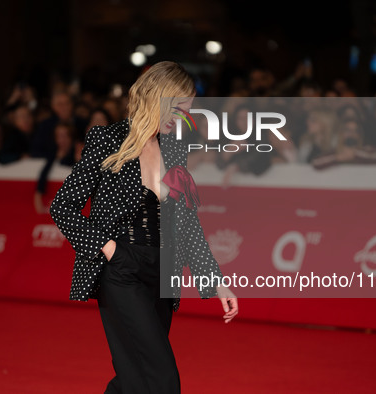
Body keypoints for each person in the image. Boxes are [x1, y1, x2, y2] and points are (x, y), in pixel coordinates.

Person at [49, 61, 238, 394]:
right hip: (122, 271)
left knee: (133, 379)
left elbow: (185, 221)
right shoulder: (107, 140)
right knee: (161, 378)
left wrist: (215, 281)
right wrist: (108, 249)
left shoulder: (175, 148)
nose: (181, 117)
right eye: (177, 108)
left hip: (163, 274)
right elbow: (62, 206)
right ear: (155, 97)